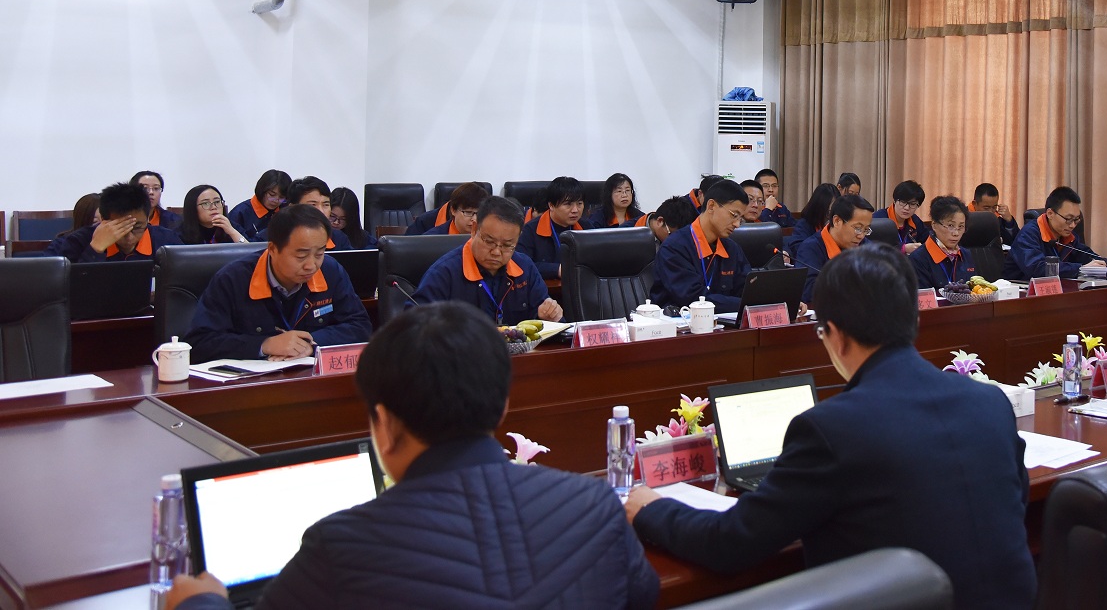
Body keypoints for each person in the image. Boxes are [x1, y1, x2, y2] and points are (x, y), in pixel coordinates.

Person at [165, 302, 659, 610]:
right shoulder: (593, 504)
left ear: (383, 423)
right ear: (503, 406)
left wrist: (200, 603)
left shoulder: (341, 547)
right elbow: (643, 595)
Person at [627, 245, 1035, 610]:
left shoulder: (831, 429)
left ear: (835, 336)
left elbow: (732, 543)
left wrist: (650, 509)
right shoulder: (989, 402)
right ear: (913, 318)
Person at [184, 205, 372, 362]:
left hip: (310, 380)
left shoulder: (330, 271)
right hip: (252, 386)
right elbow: (199, 343)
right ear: (273, 249)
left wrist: (310, 342)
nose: (311, 265)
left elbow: (360, 326)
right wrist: (264, 345)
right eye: (301, 256)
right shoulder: (233, 279)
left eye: (319, 254)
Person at [411, 196, 564, 324]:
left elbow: (545, 314)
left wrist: (550, 315)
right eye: (489, 242)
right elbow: (413, 327)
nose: (496, 252)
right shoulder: (445, 272)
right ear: (474, 230)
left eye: (507, 245)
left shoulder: (524, 267)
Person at [650, 179, 751, 311]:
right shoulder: (674, 248)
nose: (737, 224)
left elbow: (747, 290)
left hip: (723, 321)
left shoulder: (732, 249)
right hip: (681, 321)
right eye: (734, 215)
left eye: (740, 219)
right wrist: (744, 304)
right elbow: (692, 299)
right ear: (711, 206)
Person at [1000, 186, 1107, 282]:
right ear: (1050, 214)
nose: (1072, 225)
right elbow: (1038, 268)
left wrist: (1106, 263)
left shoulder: (1067, 235)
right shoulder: (1028, 234)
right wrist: (1081, 268)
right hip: (1019, 293)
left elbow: (1085, 255)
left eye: (1076, 219)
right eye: (1068, 219)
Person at [46, 181, 182, 261]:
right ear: (103, 220)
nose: (129, 237)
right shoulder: (78, 241)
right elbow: (68, 288)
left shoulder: (167, 240)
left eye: (137, 227)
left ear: (147, 219)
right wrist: (95, 249)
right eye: (120, 228)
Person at [795, 194, 874, 302]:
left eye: (866, 230)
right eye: (858, 228)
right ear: (837, 221)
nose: (861, 236)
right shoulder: (810, 248)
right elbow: (809, 292)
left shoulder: (865, 246)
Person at [255, 177, 353, 250]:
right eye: (313, 205)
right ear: (292, 207)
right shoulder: (268, 237)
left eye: (326, 205)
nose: (321, 211)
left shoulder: (339, 238)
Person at [516, 176, 585, 279]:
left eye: (579, 204)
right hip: (546, 286)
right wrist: (556, 270)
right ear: (551, 205)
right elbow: (521, 264)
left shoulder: (587, 227)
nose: (575, 210)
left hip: (582, 284)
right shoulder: (530, 230)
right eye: (568, 204)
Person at [910, 196, 977, 290]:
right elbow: (923, 297)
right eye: (950, 225)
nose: (956, 233)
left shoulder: (966, 255)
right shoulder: (918, 259)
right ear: (934, 225)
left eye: (961, 226)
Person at [228, 169, 291, 240]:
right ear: (262, 190)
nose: (276, 200)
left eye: (281, 197)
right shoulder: (239, 213)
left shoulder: (286, 210)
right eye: (272, 194)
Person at [176, 185, 250, 245]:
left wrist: (232, 232)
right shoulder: (180, 233)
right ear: (192, 208)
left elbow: (250, 252)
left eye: (217, 202)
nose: (214, 207)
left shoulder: (232, 227)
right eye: (206, 203)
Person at [877, 179, 928, 254]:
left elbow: (927, 239)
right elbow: (873, 249)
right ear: (894, 201)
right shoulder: (878, 219)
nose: (907, 208)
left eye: (912, 204)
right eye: (903, 202)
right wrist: (903, 248)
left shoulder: (915, 220)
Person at [420, 182, 487, 237]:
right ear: (453, 210)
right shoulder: (431, 239)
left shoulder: (489, 236)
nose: (475, 219)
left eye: (479, 213)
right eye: (468, 212)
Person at [788, 183, 838, 253]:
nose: (831, 217)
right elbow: (798, 249)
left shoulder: (838, 225)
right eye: (828, 212)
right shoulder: (804, 225)